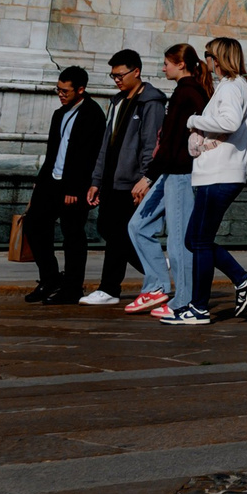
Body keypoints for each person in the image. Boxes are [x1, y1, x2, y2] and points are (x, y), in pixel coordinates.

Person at [182, 36, 247, 323]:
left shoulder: (230, 88)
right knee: (195, 240)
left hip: (218, 176)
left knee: (199, 241)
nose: (206, 61)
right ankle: (241, 280)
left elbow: (228, 123)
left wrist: (194, 120)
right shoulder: (233, 87)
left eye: (208, 55)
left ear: (218, 58)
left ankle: (199, 307)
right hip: (216, 175)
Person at [127, 44, 207, 318]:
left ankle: (183, 300)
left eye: (166, 63)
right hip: (168, 173)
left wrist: (148, 177)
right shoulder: (182, 92)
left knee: (177, 242)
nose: (163, 68)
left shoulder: (190, 92)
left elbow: (174, 142)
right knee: (137, 225)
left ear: (181, 64)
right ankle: (158, 285)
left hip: (181, 174)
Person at [82, 49, 166, 306]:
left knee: (119, 232)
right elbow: (106, 144)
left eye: (120, 75)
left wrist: (145, 179)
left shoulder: (151, 102)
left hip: (132, 182)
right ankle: (157, 267)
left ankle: (109, 288)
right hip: (110, 179)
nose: (116, 80)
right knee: (108, 228)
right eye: (113, 76)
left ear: (136, 72)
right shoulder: (117, 101)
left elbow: (150, 143)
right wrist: (96, 180)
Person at [22, 66, 105, 305]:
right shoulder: (60, 114)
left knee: (73, 235)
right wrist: (39, 182)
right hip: (51, 181)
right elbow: (52, 152)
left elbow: (89, 156)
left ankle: (72, 287)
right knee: (34, 224)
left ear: (81, 89)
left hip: (74, 186)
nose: (61, 94)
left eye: (65, 91)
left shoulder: (92, 114)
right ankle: (49, 278)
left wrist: (76, 189)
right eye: (58, 89)